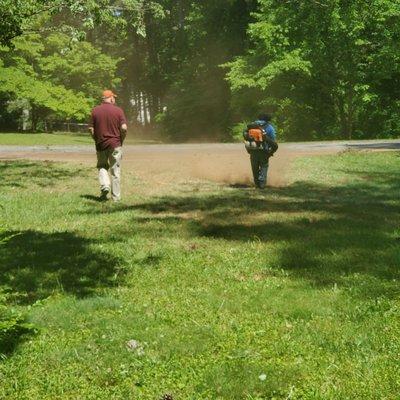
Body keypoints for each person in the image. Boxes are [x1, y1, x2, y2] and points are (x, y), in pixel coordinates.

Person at [89, 90, 128, 201]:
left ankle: (105, 185)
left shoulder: (95, 111)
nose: (114, 99)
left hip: (100, 145)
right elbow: (124, 128)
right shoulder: (118, 111)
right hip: (115, 144)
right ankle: (116, 198)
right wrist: (121, 140)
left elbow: (91, 129)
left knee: (102, 166)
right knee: (115, 171)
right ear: (110, 98)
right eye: (113, 97)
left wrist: (96, 140)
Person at [243, 113, 278, 189]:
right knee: (264, 166)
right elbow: (273, 142)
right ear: (268, 120)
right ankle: (262, 184)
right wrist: (270, 152)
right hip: (264, 152)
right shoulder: (270, 127)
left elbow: (245, 136)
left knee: (254, 168)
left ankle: (256, 184)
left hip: (253, 150)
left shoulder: (252, 125)